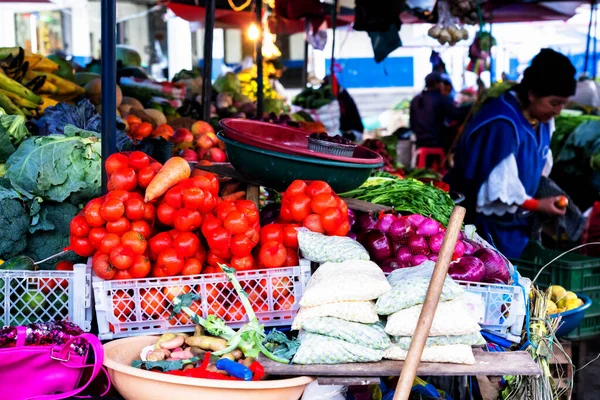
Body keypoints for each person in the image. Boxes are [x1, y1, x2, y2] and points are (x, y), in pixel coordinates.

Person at [444, 49, 576, 258]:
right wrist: (538, 205)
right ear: (532, 94)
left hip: (514, 223)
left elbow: (538, 161)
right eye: (554, 103)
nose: (558, 110)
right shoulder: (502, 124)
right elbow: (498, 191)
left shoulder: (541, 119)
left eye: (563, 104)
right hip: (480, 226)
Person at [409, 72, 456, 149]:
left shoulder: (416, 99)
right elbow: (454, 114)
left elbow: (412, 124)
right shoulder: (441, 98)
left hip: (420, 140)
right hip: (436, 142)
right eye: (441, 83)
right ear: (437, 84)